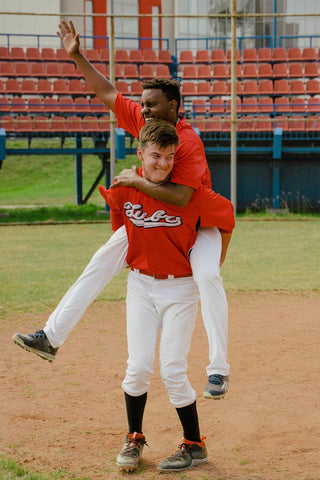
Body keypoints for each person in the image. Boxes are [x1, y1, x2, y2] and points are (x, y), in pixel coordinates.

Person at [12, 19, 232, 400]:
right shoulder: (146, 123)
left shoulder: (188, 141)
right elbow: (108, 92)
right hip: (155, 220)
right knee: (101, 260)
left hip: (197, 224)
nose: (144, 111)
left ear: (174, 108)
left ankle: (218, 369)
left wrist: (132, 181)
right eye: (143, 105)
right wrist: (77, 56)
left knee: (207, 276)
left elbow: (181, 197)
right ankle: (50, 336)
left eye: (153, 105)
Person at [98, 120, 234, 472]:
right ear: (140, 154)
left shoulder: (189, 195)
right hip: (141, 285)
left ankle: (194, 444)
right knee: (138, 366)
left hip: (180, 287)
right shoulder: (125, 187)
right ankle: (134, 437)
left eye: (170, 157)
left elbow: (227, 217)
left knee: (173, 368)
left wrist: (213, 263)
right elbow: (119, 220)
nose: (162, 163)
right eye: (156, 155)